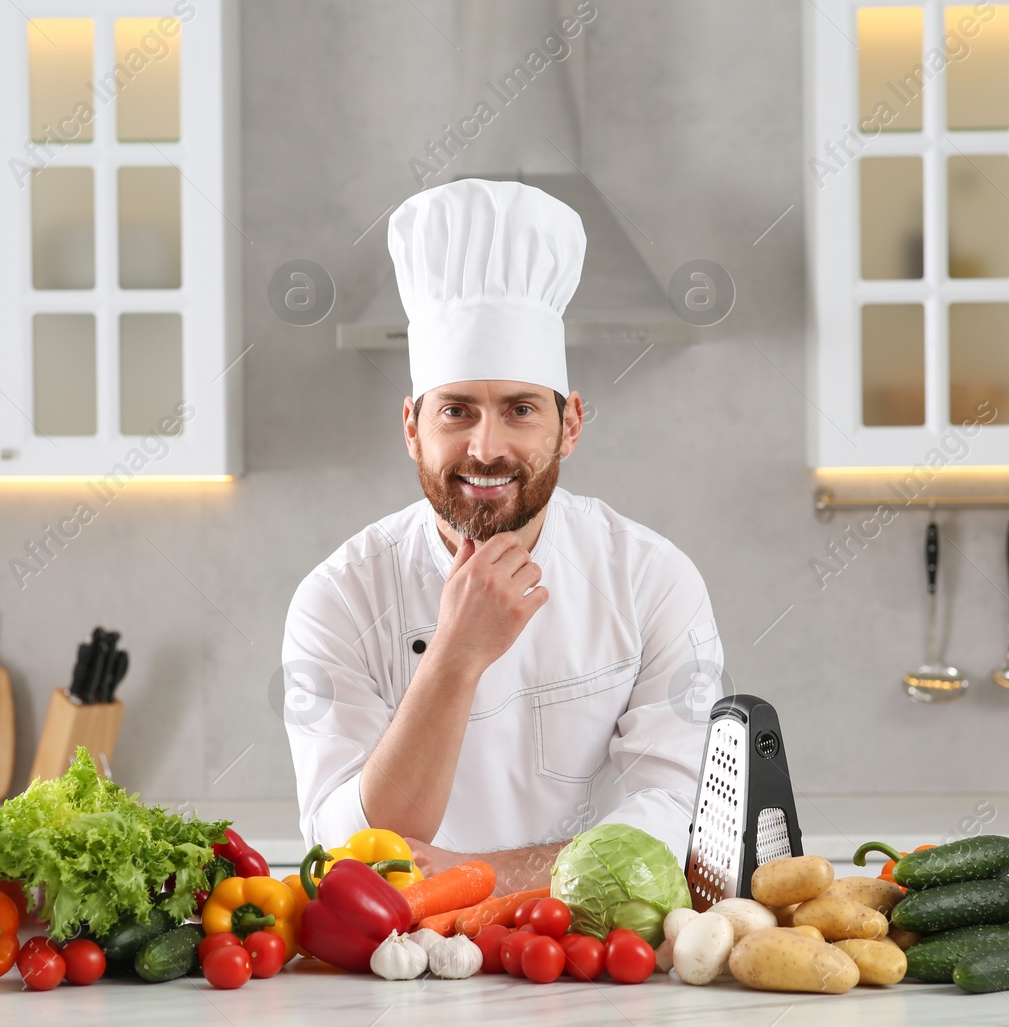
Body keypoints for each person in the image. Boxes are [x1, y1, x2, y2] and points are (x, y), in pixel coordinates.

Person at [281, 178, 722, 892]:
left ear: (570, 423)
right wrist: (455, 656)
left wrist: (485, 875)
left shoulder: (650, 578)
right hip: (397, 965)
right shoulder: (339, 596)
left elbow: (684, 815)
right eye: (456, 411)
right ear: (411, 428)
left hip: (592, 958)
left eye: (519, 409)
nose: (487, 447)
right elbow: (349, 846)